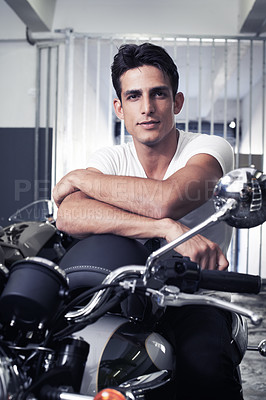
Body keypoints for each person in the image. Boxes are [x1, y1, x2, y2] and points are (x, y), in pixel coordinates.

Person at [53, 43, 242, 399]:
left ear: (177, 102)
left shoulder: (211, 148)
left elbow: (165, 199)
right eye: (134, 96)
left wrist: (79, 177)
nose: (147, 107)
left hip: (195, 300)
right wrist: (166, 229)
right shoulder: (110, 157)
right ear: (119, 108)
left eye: (159, 94)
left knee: (207, 368)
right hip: (127, 296)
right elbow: (69, 214)